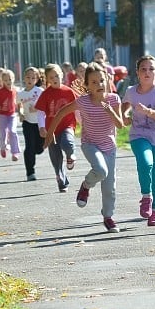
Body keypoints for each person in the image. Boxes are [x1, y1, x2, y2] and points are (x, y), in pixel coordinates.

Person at [44, 62, 124, 233]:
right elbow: (60, 113)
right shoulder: (83, 102)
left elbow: (121, 125)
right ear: (86, 85)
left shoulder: (113, 99)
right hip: (90, 144)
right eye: (94, 82)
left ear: (108, 80)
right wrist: (50, 134)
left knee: (109, 187)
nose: (99, 84)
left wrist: (110, 111)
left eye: (101, 80)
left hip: (109, 147)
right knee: (101, 171)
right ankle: (86, 186)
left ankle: (108, 217)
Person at [121, 55, 155, 226]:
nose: (147, 72)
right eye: (143, 69)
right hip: (139, 135)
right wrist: (125, 116)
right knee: (145, 162)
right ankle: (146, 196)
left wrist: (148, 112)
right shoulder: (131, 91)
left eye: (151, 69)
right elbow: (125, 106)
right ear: (137, 73)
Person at [35, 63, 79, 192]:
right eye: (51, 77)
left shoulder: (69, 91)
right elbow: (40, 112)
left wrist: (84, 122)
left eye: (57, 75)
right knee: (56, 156)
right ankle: (61, 179)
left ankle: (70, 156)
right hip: (51, 130)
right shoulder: (46, 94)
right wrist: (42, 127)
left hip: (67, 125)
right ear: (47, 80)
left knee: (68, 143)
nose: (55, 79)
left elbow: (77, 108)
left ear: (62, 75)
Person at [18, 67, 45, 181]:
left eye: (33, 77)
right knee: (29, 147)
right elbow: (18, 105)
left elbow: (46, 105)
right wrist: (20, 113)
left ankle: (36, 149)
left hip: (40, 123)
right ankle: (30, 172)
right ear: (24, 78)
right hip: (28, 123)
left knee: (39, 148)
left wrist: (37, 108)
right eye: (28, 77)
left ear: (37, 79)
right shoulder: (20, 94)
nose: (30, 80)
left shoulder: (39, 91)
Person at [0, 69, 21, 161]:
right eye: (6, 80)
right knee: (3, 133)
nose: (8, 82)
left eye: (10, 79)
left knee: (13, 131)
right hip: (1, 116)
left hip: (12, 115)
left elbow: (19, 102)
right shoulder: (0, 91)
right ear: (2, 81)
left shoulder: (16, 90)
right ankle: (3, 148)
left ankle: (15, 152)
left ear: (13, 79)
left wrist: (20, 111)